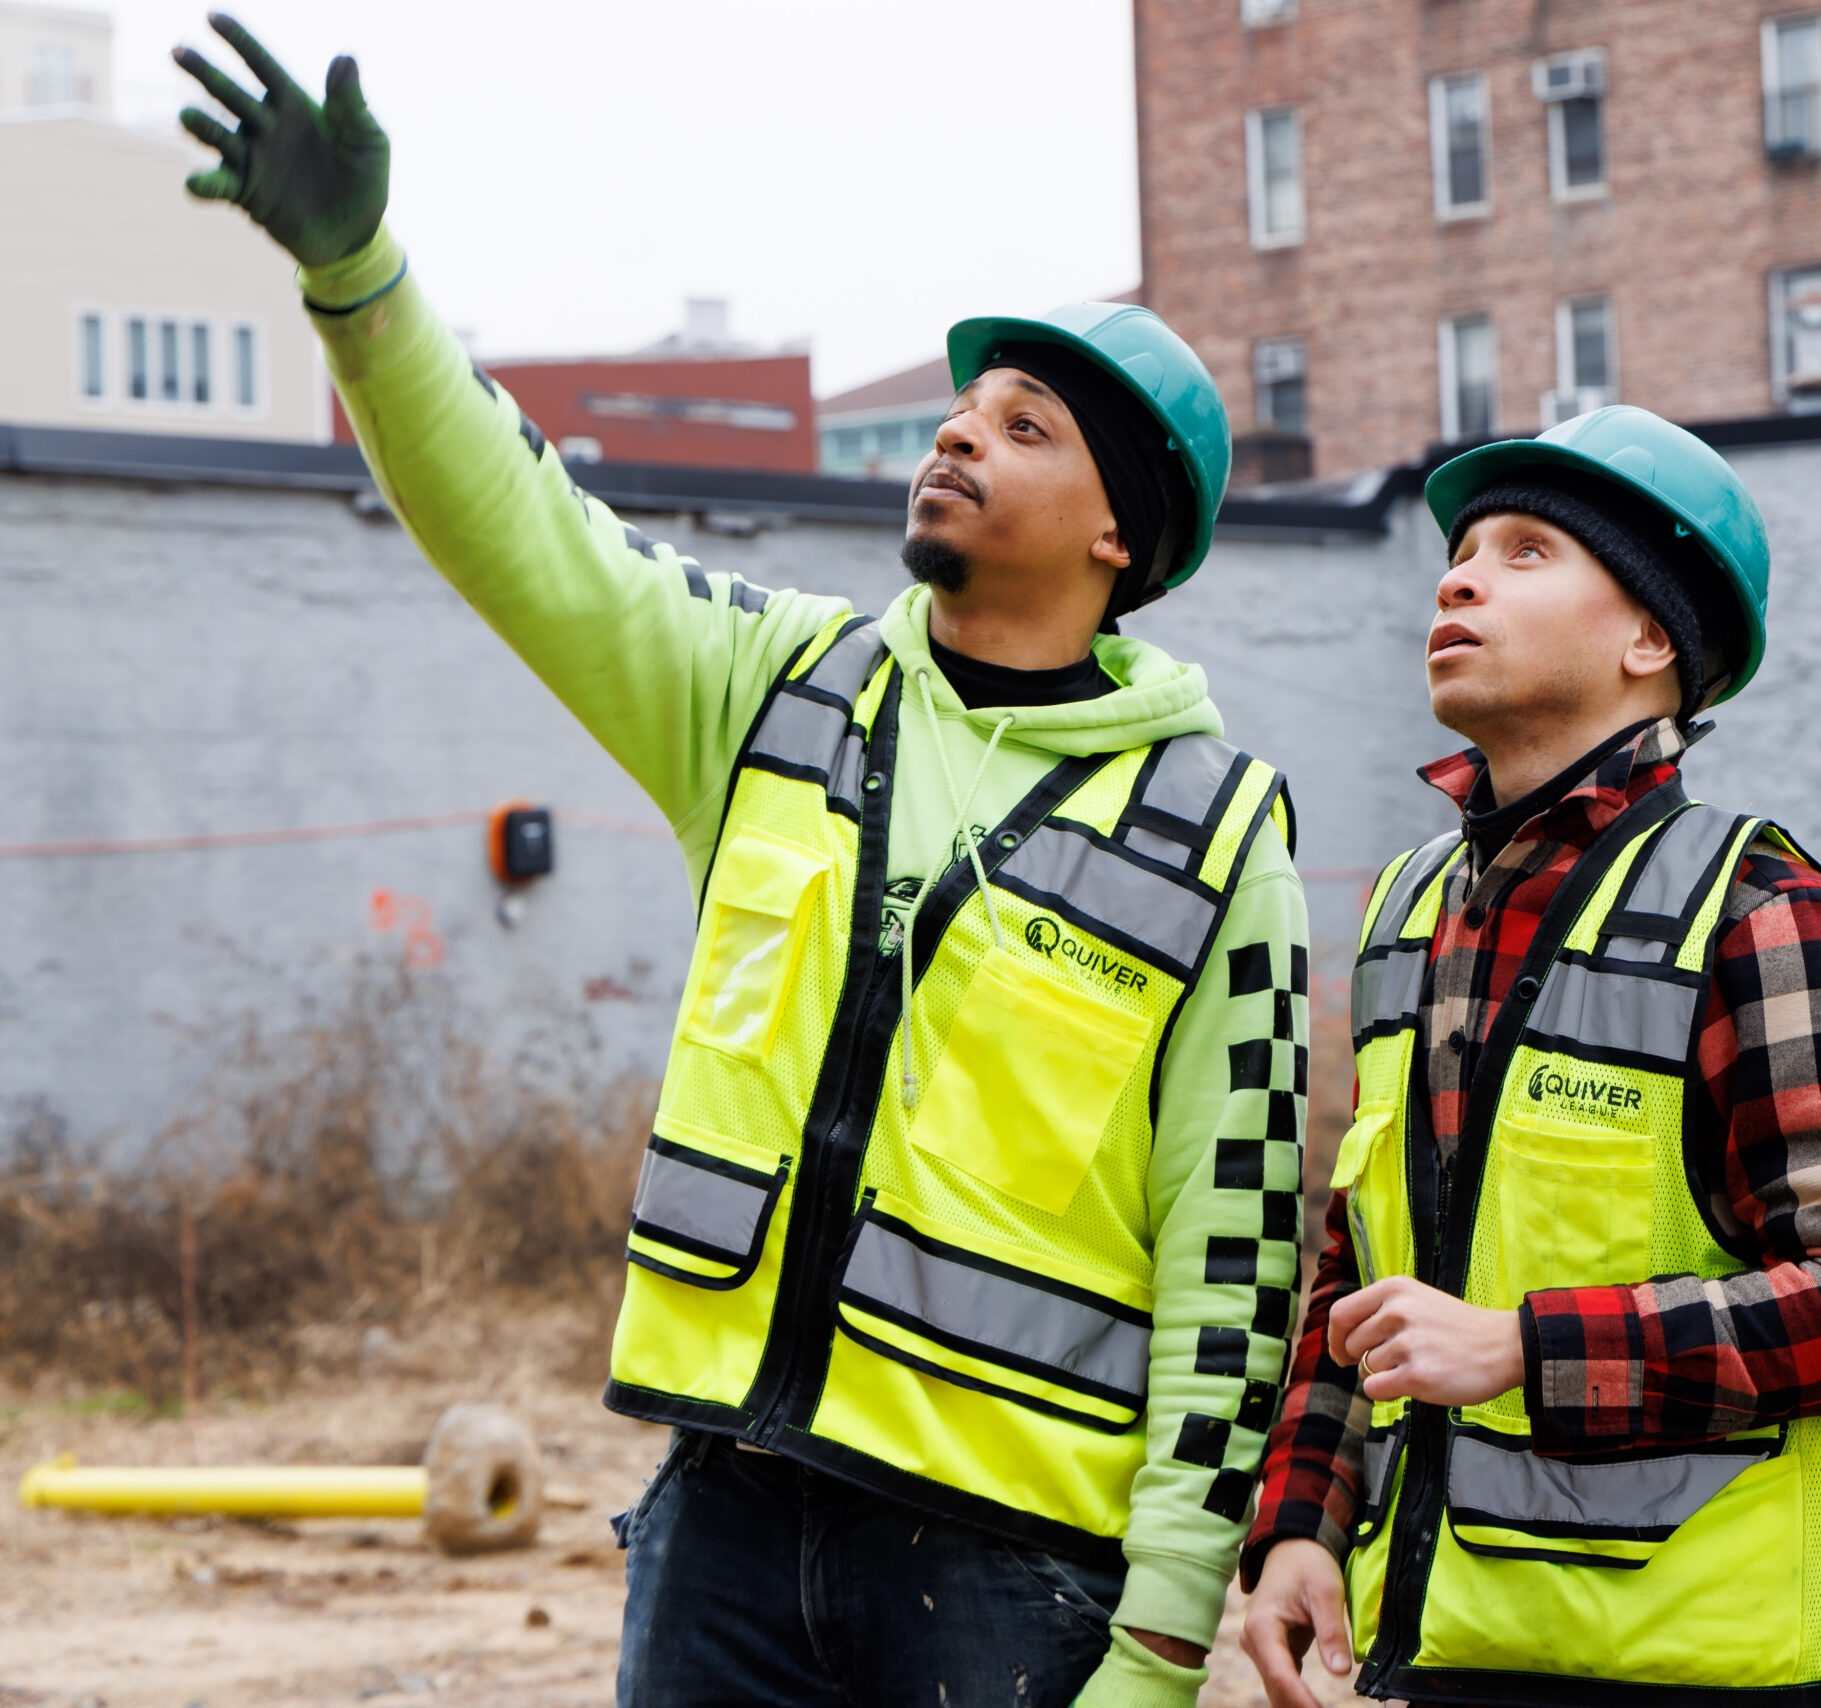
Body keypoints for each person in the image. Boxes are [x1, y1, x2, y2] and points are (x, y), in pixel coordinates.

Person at [174, 18, 1309, 1706]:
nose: (955, 438)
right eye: (957, 413)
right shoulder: (780, 689)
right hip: (719, 1527)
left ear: (1115, 534)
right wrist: (361, 278)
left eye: (1021, 426)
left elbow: (1241, 1248)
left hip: (1009, 1574)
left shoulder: (1217, 832)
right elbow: (525, 530)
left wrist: (1158, 1635)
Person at [1238, 406, 1821, 1708]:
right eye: (1459, 552)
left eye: (1525, 553)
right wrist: (1299, 1524)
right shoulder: (1407, 917)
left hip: (1727, 1680)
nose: (1457, 577)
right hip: (1449, 1663)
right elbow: (1367, 1278)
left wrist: (1526, 1347)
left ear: (1648, 640)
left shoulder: (1770, 919)